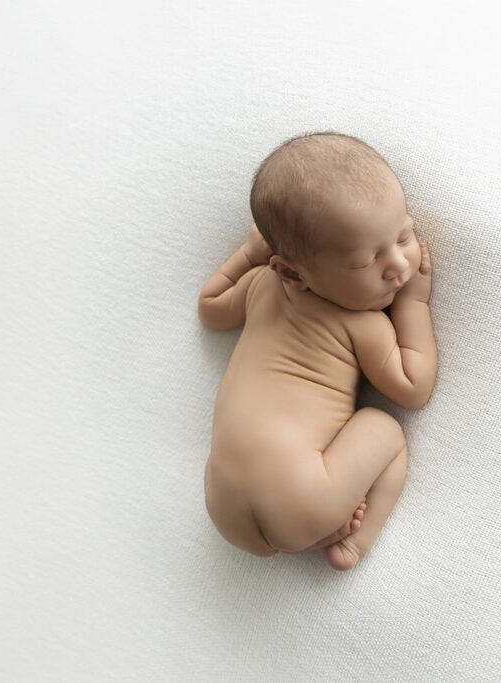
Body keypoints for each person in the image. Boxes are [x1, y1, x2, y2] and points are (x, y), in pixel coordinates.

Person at [198, 132, 437, 570]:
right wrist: (412, 303)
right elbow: (413, 386)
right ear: (294, 272)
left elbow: (210, 308)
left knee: (286, 515)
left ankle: (310, 528)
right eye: (366, 262)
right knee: (386, 429)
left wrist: (246, 253)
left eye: (403, 236)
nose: (400, 266)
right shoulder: (360, 323)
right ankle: (352, 543)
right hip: (307, 497)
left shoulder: (259, 286)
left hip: (221, 502)